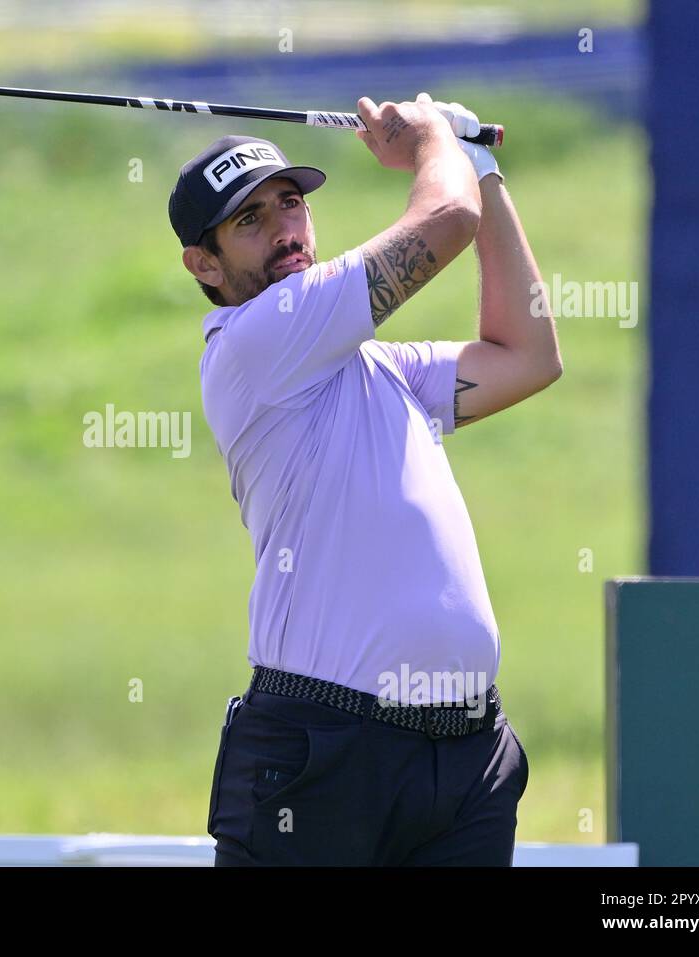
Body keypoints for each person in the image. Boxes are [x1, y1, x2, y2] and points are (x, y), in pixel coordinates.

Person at [169, 93, 562, 865]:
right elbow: (444, 222)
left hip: (466, 757)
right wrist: (434, 145)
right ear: (203, 264)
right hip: (324, 754)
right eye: (250, 221)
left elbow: (529, 355)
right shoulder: (258, 341)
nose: (286, 229)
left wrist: (481, 172)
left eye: (290, 205)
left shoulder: (374, 367)